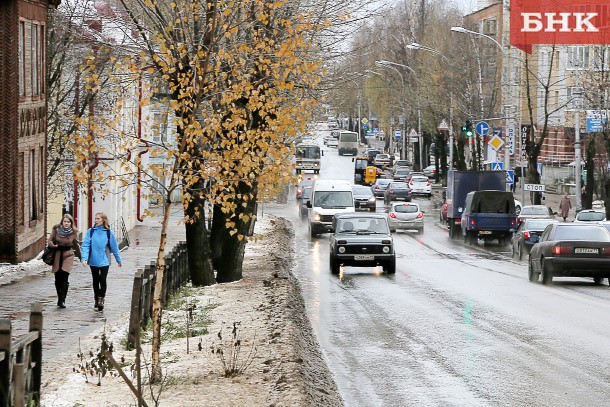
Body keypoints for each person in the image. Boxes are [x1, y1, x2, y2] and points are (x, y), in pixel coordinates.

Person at [81, 212, 122, 311]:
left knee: (102, 279)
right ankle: (96, 298)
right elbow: (86, 245)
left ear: (103, 220)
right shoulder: (91, 231)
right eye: (95, 219)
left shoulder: (108, 232)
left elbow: (114, 247)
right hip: (93, 260)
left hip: (104, 260)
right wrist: (84, 258)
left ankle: (101, 298)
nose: (96, 220)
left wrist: (118, 259)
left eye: (98, 219)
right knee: (95, 280)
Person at [48, 214, 81, 308]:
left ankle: (62, 299)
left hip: (68, 254)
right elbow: (50, 240)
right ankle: (59, 297)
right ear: (62, 222)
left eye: (68, 222)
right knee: (57, 277)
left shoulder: (74, 232)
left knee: (64, 275)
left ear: (71, 223)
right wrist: (52, 245)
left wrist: (81, 257)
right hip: (57, 254)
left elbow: (76, 244)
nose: (66, 224)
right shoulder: (56, 229)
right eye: (65, 221)